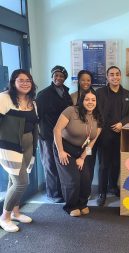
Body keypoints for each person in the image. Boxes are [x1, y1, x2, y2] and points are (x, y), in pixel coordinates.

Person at [0, 69, 38, 232]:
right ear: (13, 82)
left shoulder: (32, 102)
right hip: (10, 146)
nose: (24, 83)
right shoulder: (4, 98)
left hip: (28, 145)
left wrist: (36, 146)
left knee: (13, 180)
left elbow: (34, 125)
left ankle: (15, 212)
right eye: (20, 80)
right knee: (21, 182)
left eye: (28, 80)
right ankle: (4, 217)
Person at [53, 89, 102, 216]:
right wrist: (61, 151)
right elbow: (57, 130)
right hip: (64, 148)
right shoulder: (71, 111)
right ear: (82, 100)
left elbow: (92, 142)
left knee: (86, 179)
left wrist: (82, 157)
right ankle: (70, 206)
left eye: (93, 100)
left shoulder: (98, 118)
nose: (90, 102)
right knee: (72, 179)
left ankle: (82, 204)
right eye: (87, 99)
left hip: (81, 151)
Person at [95, 66, 129, 206]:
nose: (114, 77)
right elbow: (96, 112)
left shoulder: (127, 94)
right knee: (104, 165)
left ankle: (113, 187)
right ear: (107, 77)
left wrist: (122, 123)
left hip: (121, 134)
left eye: (117, 74)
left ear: (120, 76)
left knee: (117, 163)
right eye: (111, 75)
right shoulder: (100, 93)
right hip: (104, 135)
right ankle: (102, 192)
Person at [36, 65, 72, 203]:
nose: (58, 78)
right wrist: (41, 135)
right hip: (48, 136)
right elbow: (37, 116)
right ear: (52, 77)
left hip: (63, 135)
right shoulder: (44, 94)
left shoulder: (65, 92)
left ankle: (61, 191)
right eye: (56, 75)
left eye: (61, 76)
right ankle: (53, 194)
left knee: (61, 164)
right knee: (50, 164)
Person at [70, 70, 97, 184]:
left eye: (88, 80)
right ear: (78, 81)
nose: (85, 82)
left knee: (89, 161)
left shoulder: (96, 96)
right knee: (77, 162)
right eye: (83, 80)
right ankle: (78, 186)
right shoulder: (72, 96)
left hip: (90, 139)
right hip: (75, 139)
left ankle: (87, 186)